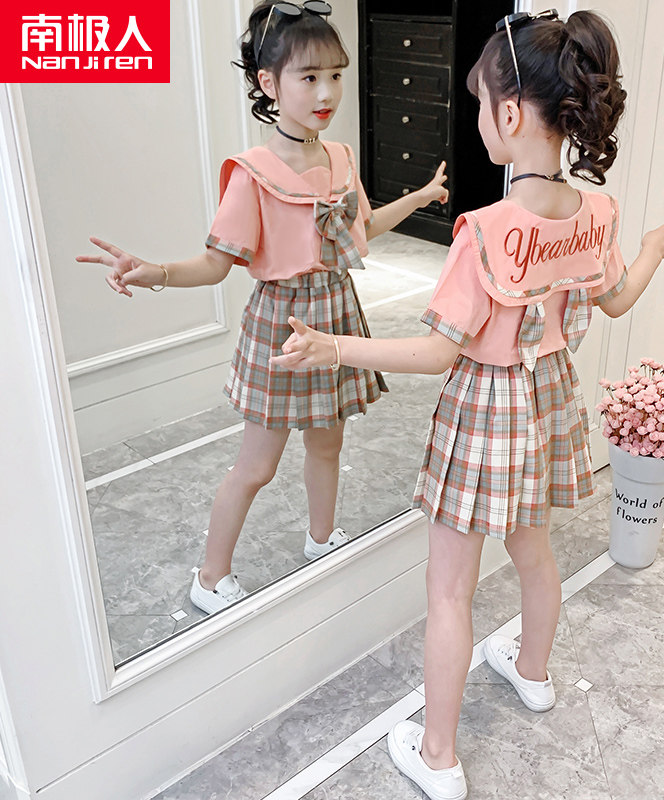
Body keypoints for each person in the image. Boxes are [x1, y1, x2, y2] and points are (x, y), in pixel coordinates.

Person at [270, 8, 664, 800]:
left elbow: (438, 352)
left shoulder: (482, 231)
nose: (478, 120)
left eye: (480, 105)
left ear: (509, 115)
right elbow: (615, 300)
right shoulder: (597, 213)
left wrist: (336, 347)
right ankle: (532, 671)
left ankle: (438, 755)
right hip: (548, 399)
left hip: (485, 409)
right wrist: (650, 250)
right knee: (535, 552)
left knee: (449, 590)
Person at [76, 0, 448, 615]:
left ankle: (321, 538)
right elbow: (215, 263)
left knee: (327, 445)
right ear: (268, 82)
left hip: (336, 316)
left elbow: (359, 231)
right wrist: (156, 272)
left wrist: (420, 196)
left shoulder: (341, 158)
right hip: (280, 324)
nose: (326, 91)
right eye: (309, 76)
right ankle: (209, 576)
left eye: (335, 74)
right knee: (257, 466)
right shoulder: (253, 173)